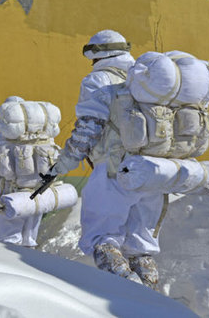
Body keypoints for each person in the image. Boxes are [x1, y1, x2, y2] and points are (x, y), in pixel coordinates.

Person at [48, 29, 163, 287]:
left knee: (102, 239)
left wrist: (64, 163)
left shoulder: (97, 80)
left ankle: (123, 292)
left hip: (114, 171)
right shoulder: (146, 81)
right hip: (153, 171)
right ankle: (151, 300)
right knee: (140, 247)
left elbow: (88, 128)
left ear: (98, 56)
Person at [0, 97, 64, 247]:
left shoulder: (4, 140)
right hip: (38, 197)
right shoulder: (46, 139)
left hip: (10, 196)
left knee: (7, 243)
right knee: (29, 240)